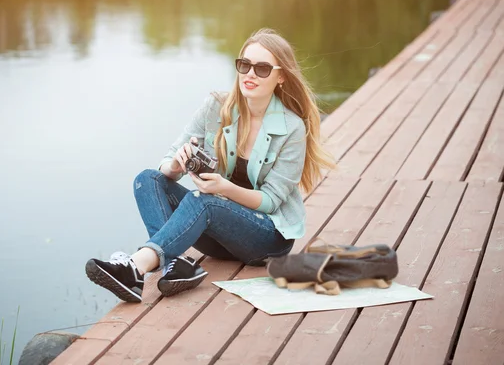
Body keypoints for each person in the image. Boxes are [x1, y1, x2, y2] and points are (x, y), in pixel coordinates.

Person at [85, 28, 336, 303]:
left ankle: (135, 267)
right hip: (218, 232)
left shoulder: (292, 128)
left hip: (266, 239)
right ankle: (174, 266)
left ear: (281, 77)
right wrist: (176, 166)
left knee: (204, 200)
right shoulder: (216, 106)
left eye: (262, 68)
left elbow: (272, 202)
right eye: (245, 65)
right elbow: (167, 160)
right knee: (148, 179)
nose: (250, 74)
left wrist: (225, 188)